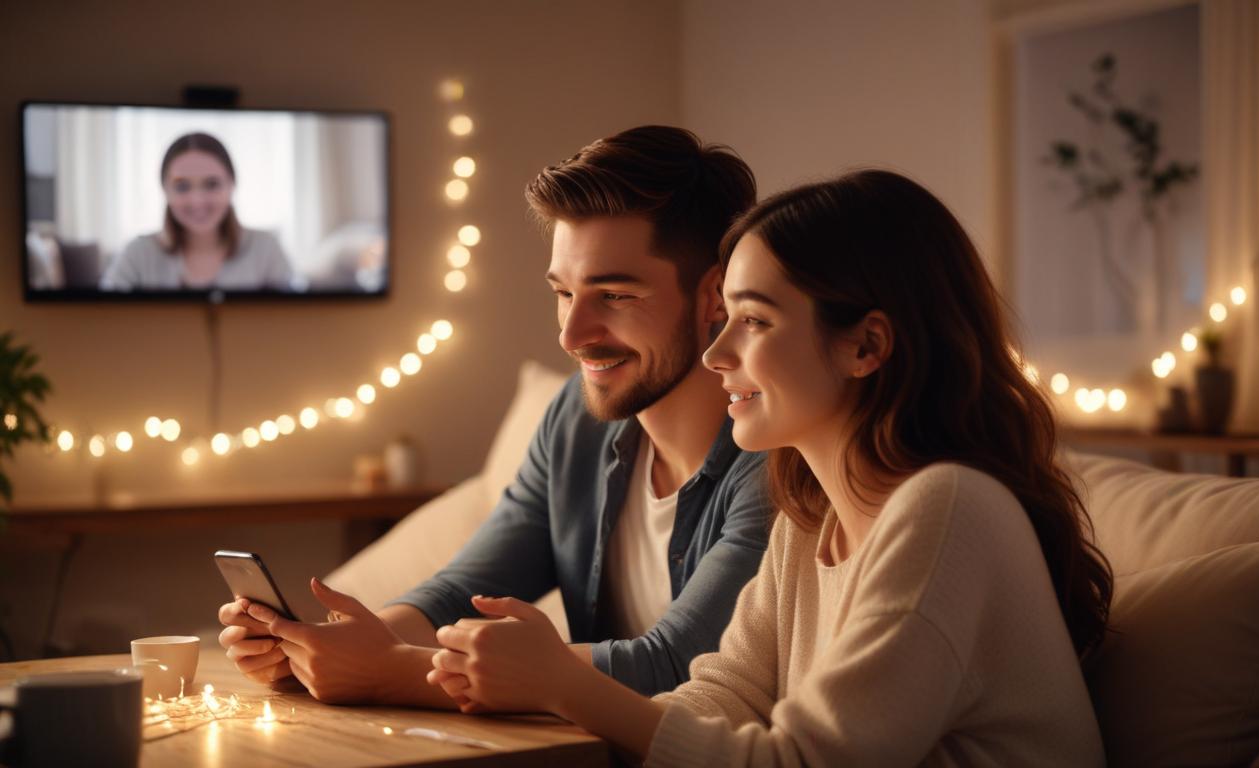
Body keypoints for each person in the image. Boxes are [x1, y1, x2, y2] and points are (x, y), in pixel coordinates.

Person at [418, 170, 1113, 766]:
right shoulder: (810, 519)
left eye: (753, 320)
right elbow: (720, 699)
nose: (716, 353)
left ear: (866, 345)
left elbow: (799, 761)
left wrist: (562, 684)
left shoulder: (950, 508)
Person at [218, 126, 772, 707]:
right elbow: (461, 591)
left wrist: (388, 671)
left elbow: (679, 665)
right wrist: (330, 648)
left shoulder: (777, 453)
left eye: (614, 295)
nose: (571, 335)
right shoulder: (575, 420)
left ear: (716, 294)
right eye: (564, 292)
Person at [100, 132, 293, 291]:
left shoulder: (266, 248)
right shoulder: (138, 253)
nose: (197, 201)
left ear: (232, 185)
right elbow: (102, 320)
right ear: (165, 190)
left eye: (212, 184)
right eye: (182, 186)